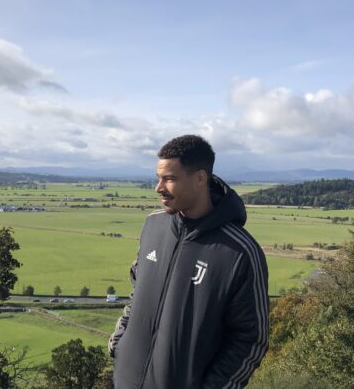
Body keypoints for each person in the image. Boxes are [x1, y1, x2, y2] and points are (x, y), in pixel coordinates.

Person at [109, 135, 269, 389]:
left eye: (170, 179)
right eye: (158, 178)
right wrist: (119, 343)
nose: (158, 187)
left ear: (200, 178)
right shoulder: (153, 225)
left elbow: (251, 338)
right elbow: (137, 291)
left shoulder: (239, 251)